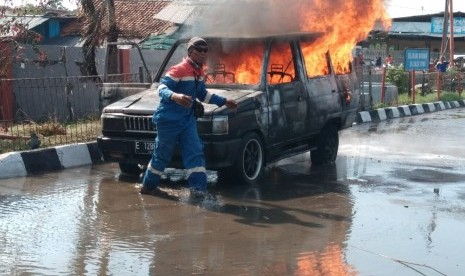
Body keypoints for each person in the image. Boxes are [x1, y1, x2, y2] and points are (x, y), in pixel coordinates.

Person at [140, 37, 238, 198]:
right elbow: (162, 87)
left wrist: (224, 101)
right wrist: (175, 96)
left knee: (195, 152)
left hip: (187, 120)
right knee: (162, 155)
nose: (203, 53)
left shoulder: (199, 72)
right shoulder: (179, 69)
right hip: (169, 120)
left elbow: (202, 94)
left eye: (205, 50)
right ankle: (148, 186)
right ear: (190, 51)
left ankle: (198, 191)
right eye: (199, 50)